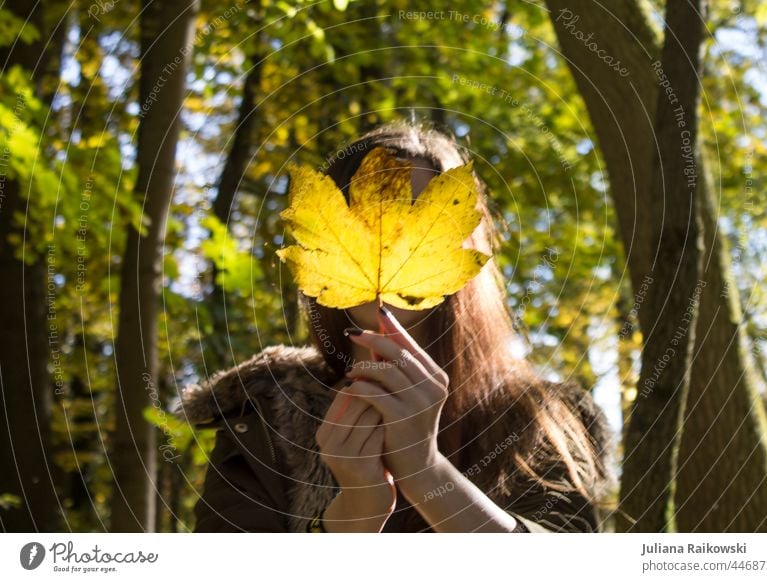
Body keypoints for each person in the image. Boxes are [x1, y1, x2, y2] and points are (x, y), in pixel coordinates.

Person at [176, 121, 613, 532]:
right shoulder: (262, 418)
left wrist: (426, 473)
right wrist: (349, 520)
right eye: (362, 223)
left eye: (417, 222)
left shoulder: (547, 417)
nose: (386, 244)